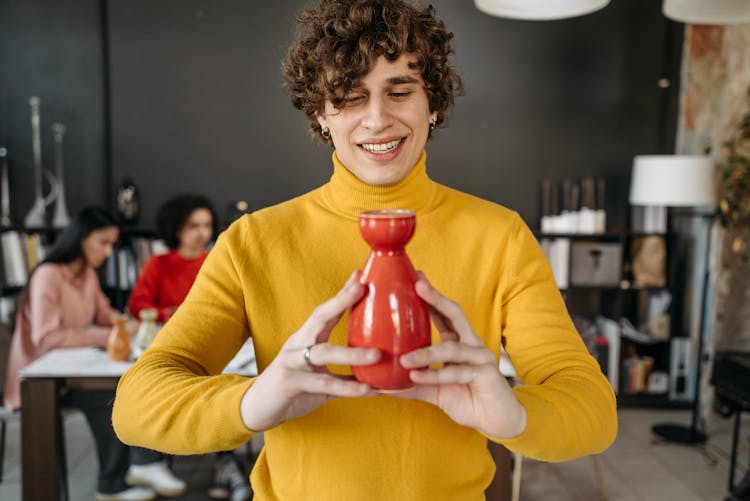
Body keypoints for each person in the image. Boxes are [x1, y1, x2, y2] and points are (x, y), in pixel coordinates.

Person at [113, 1, 618, 499]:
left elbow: (593, 411)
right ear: (320, 112)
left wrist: (512, 413)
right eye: (349, 97)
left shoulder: (500, 237)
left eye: (400, 91)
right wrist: (256, 400)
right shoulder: (253, 242)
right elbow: (136, 406)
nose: (377, 119)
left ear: (433, 102)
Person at [3, 207, 187, 501]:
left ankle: (141, 466)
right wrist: (111, 335)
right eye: (103, 242)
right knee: (111, 395)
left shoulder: (87, 274)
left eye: (112, 243)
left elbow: (106, 314)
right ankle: (117, 481)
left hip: (72, 369)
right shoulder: (48, 275)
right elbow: (47, 337)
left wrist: (136, 326)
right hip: (41, 379)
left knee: (138, 379)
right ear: (81, 238)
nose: (109, 250)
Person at [127, 194, 251, 501]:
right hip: (171, 344)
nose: (201, 233)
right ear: (177, 228)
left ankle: (226, 463)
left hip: (218, 350)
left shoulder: (216, 260)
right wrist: (177, 315)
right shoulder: (158, 264)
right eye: (193, 225)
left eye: (206, 225)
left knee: (227, 384)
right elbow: (138, 304)